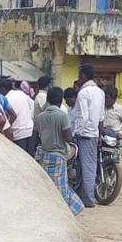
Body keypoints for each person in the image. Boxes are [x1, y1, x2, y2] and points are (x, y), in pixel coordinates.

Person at [33, 87, 84, 215]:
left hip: (44, 156)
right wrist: (73, 140)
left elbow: (35, 137)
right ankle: (65, 214)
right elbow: (67, 136)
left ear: (48, 100)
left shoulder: (40, 117)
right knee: (61, 190)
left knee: (47, 188)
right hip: (58, 157)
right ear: (60, 101)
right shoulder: (62, 116)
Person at [74, 64, 106, 208]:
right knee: (90, 166)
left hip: (84, 134)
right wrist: (99, 134)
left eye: (80, 75)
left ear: (84, 76)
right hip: (94, 134)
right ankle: (85, 195)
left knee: (86, 166)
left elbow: (83, 117)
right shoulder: (100, 92)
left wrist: (75, 133)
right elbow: (101, 117)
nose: (78, 78)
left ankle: (88, 199)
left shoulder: (83, 93)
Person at [2, 78, 34, 154]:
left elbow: (12, 116)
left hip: (17, 133)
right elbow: (31, 105)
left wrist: (6, 128)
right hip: (29, 130)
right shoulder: (21, 93)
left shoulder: (6, 99)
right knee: (30, 160)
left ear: (3, 89)